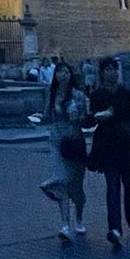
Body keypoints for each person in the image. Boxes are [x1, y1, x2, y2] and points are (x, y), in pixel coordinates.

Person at [89, 56, 130, 247]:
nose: (112, 72)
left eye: (114, 69)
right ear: (102, 73)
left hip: (127, 144)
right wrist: (99, 117)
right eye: (108, 70)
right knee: (112, 187)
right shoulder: (97, 95)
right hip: (107, 146)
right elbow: (92, 118)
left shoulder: (127, 93)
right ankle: (114, 229)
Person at [39, 61, 88, 241]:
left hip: (75, 141)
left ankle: (79, 218)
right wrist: (39, 117)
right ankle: (65, 224)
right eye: (60, 72)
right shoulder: (51, 95)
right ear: (56, 76)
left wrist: (78, 117)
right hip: (57, 142)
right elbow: (46, 116)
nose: (63, 75)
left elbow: (85, 120)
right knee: (63, 183)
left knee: (77, 187)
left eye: (66, 72)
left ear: (70, 74)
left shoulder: (79, 96)